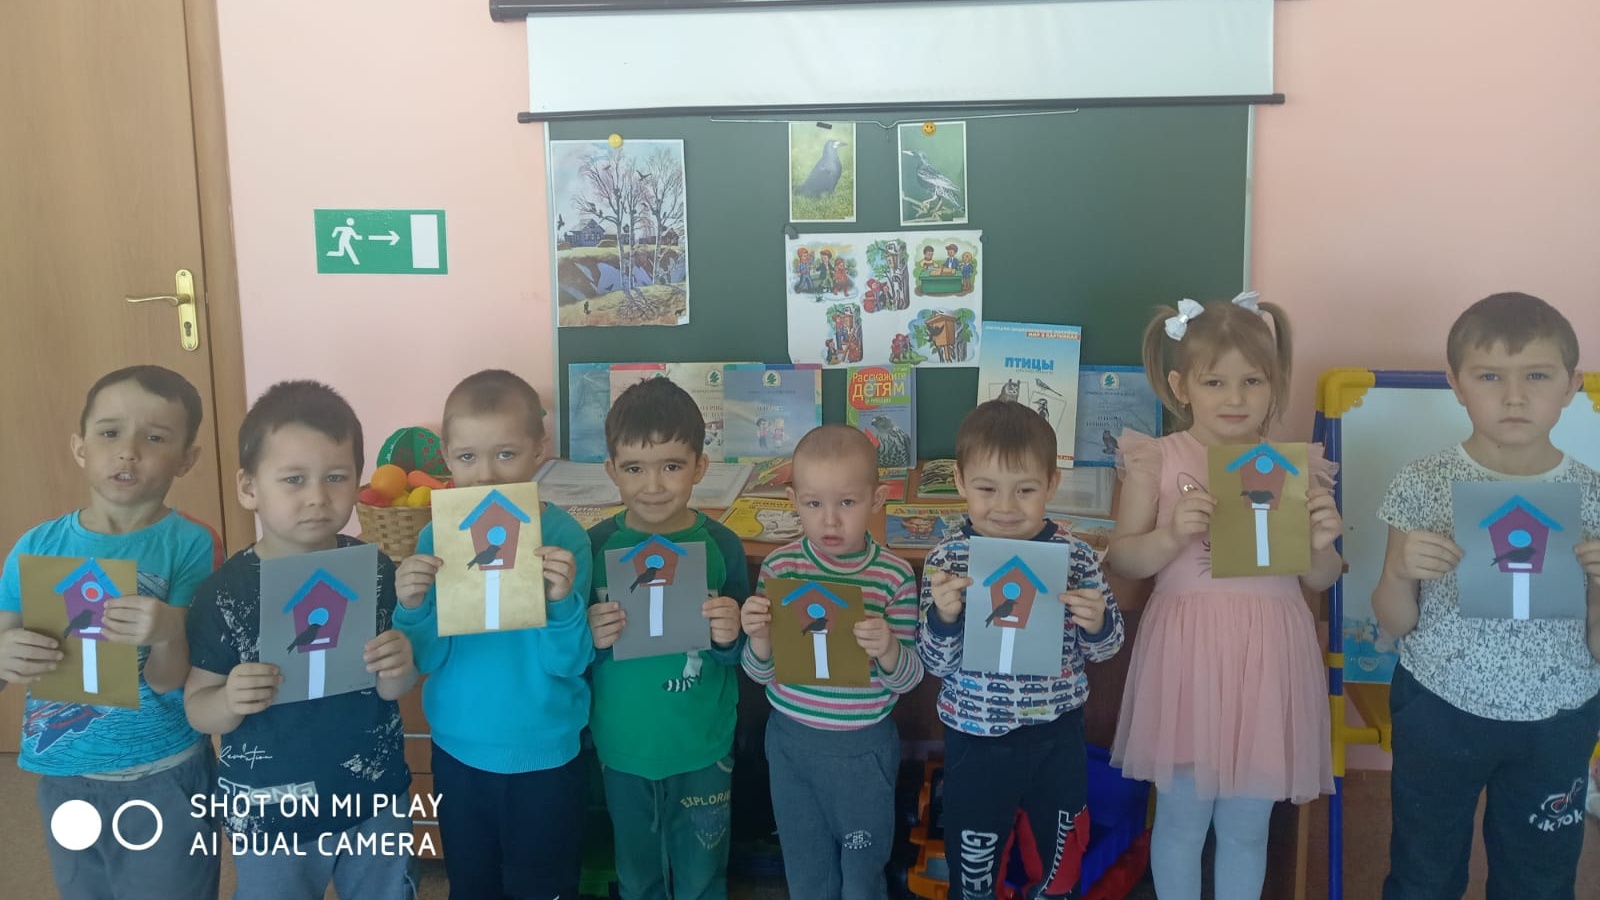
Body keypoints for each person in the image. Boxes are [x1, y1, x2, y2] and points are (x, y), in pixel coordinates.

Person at [1106, 292, 1339, 900]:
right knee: (1181, 823)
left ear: (1274, 384)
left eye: (1252, 381)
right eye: (1215, 382)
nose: (1235, 398)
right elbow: (1123, 558)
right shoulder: (1158, 459)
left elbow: (1321, 578)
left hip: (1268, 662)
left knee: (1247, 828)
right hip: (1188, 662)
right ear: (1181, 387)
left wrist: (1321, 543)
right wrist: (1169, 535)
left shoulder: (1295, 468)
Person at [1371, 292, 1600, 900]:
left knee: (1539, 881)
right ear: (1456, 384)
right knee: (1423, 872)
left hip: (1557, 717)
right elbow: (1394, 620)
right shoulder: (1423, 482)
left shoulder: (1594, 495)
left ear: (1572, 385)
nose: (1515, 396)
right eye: (1490, 376)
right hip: (1440, 705)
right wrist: (1398, 572)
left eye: (1537, 376)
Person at [184, 380, 417, 900]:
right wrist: (228, 699)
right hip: (271, 808)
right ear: (249, 488)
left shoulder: (375, 569)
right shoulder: (225, 592)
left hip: (372, 796)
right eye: (293, 479)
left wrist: (402, 664)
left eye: (336, 477)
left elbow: (392, 687)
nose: (317, 496)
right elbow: (198, 708)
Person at [0, 365, 222, 899]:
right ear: (80, 447)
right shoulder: (36, 545)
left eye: (155, 438)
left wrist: (168, 629)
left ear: (187, 458)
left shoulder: (193, 544)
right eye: (109, 433)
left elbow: (173, 679)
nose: (128, 452)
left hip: (163, 772)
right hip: (65, 774)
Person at [393, 369, 594, 899]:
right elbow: (424, 658)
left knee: (543, 885)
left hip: (545, 752)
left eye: (506, 454)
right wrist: (411, 606)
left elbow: (571, 661)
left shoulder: (565, 539)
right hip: (458, 751)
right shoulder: (436, 535)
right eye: (467, 457)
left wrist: (561, 602)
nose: (486, 474)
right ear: (446, 456)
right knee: (472, 884)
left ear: (538, 449)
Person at [917, 399, 1124, 900]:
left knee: (1060, 863)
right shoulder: (948, 559)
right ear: (960, 482)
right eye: (987, 489)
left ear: (1052, 484)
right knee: (975, 861)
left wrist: (1097, 623)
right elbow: (935, 662)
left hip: (1056, 734)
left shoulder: (1076, 557)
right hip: (975, 737)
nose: (1006, 507)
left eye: (1025, 490)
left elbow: (1107, 649)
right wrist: (944, 617)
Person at [740, 425, 923, 900]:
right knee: (807, 871)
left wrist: (888, 647)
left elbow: (908, 679)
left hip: (863, 750)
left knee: (862, 873)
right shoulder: (781, 569)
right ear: (793, 501)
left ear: (877, 499)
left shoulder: (893, 577)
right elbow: (760, 674)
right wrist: (759, 638)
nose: (830, 520)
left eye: (847, 502)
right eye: (813, 503)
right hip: (791, 746)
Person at [586, 376, 749, 900]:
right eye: (635, 468)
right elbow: (572, 653)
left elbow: (745, 653)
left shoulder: (722, 545)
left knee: (703, 874)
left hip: (702, 745)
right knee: (637, 874)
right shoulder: (596, 546)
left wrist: (731, 635)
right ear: (611, 470)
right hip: (624, 747)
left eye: (672, 466)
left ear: (700, 467)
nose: (653, 485)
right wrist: (589, 636)